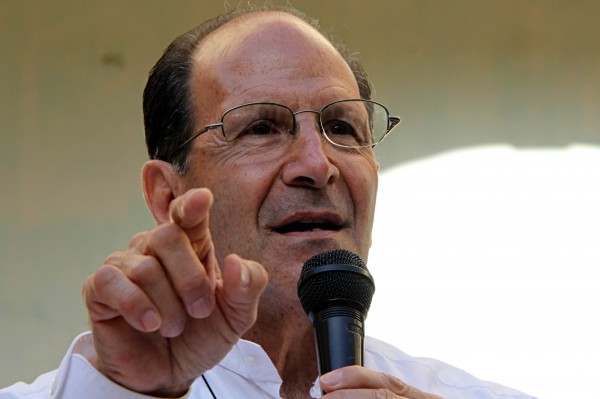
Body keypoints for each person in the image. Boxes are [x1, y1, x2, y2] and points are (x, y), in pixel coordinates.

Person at [1, 5, 535, 399]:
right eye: (261, 127)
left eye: (342, 126)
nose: (317, 163)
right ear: (169, 196)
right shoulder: (93, 389)